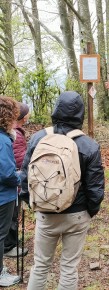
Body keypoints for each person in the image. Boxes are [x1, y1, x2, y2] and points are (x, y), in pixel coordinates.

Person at [20, 91, 105, 290]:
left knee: (40, 266)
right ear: (80, 114)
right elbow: (95, 187)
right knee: (69, 268)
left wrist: (34, 204)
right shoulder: (89, 145)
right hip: (77, 214)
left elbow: (25, 177)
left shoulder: (37, 139)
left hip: (45, 212)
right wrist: (89, 211)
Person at [0, 96, 21, 287]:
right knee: (1, 233)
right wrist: (21, 177)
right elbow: (7, 174)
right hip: (3, 196)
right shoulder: (3, 141)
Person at [4, 102, 30, 258]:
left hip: (12, 180)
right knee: (12, 215)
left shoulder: (13, 131)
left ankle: (10, 242)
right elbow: (20, 160)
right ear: (23, 117)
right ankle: (9, 247)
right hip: (13, 182)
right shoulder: (16, 135)